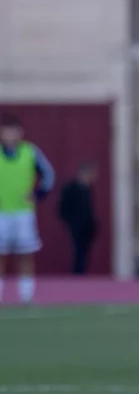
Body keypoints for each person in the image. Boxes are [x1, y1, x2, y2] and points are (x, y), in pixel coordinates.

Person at [0, 113, 54, 304]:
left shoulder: (30, 152)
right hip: (1, 212)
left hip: (23, 212)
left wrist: (38, 194)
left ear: (20, 133)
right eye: (6, 132)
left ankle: (26, 295)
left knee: (25, 253)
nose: (10, 136)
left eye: (14, 132)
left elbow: (49, 175)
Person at [59, 162, 98, 275]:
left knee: (85, 252)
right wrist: (70, 221)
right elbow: (63, 207)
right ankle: (77, 274)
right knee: (78, 251)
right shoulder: (71, 188)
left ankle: (81, 273)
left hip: (87, 227)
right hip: (76, 226)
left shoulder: (88, 189)